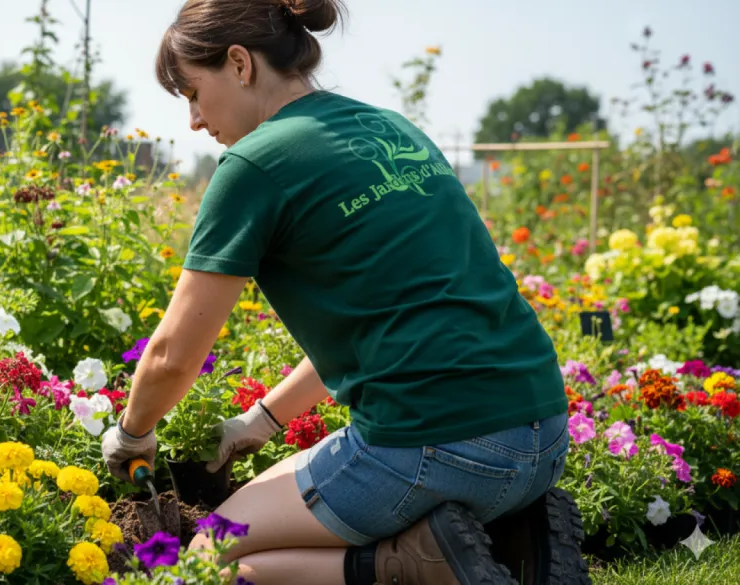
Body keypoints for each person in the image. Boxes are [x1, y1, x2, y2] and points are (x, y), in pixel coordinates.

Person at [101, 1, 591, 584]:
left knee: (210, 552)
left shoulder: (254, 165)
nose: (194, 120)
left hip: (432, 452)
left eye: (192, 93)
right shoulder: (392, 128)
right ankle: (512, 542)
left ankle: (406, 565)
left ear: (239, 64)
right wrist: (260, 420)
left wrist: (132, 434)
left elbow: (171, 356)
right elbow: (386, 321)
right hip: (542, 431)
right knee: (246, 536)